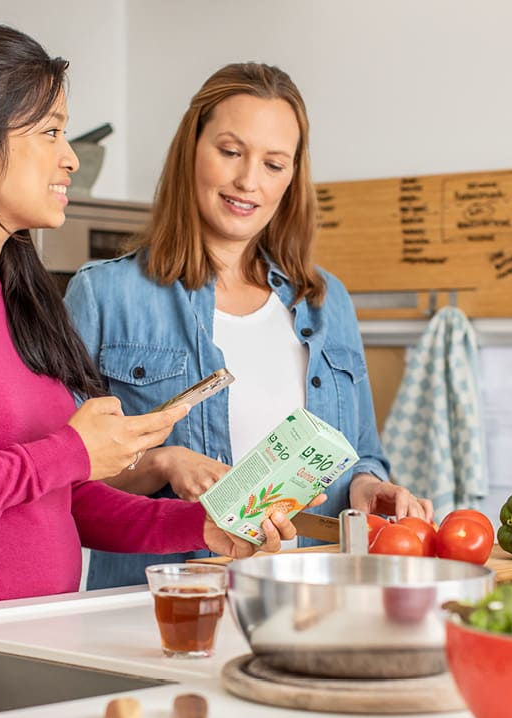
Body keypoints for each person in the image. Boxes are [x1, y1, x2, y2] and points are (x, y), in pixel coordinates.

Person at [0, 26, 300, 613]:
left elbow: (62, 502)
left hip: (28, 634)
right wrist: (70, 450)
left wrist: (201, 527)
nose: (69, 158)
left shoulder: (18, 293)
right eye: (49, 132)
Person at [66, 62, 433, 590]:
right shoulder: (104, 295)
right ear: (191, 149)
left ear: (292, 176)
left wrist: (367, 487)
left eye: (274, 163)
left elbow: (359, 454)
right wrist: (163, 462)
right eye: (231, 151)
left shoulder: (326, 302)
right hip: (162, 606)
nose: (248, 181)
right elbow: (67, 476)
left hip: (310, 601)